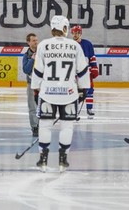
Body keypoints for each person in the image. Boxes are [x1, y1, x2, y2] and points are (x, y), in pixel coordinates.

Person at [32, 15, 90, 172]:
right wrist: (84, 89)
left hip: (47, 92)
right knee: (67, 127)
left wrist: (36, 88)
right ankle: (63, 160)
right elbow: (83, 70)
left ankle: (43, 160)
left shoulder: (43, 45)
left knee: (44, 126)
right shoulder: (74, 46)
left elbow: (37, 70)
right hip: (69, 93)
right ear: (65, 28)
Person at [71, 25, 99, 116]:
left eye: (77, 33)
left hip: (87, 72)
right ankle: (74, 110)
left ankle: (89, 108)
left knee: (90, 90)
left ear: (80, 33)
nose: (75, 35)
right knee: (75, 92)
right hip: (73, 73)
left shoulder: (88, 44)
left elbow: (92, 58)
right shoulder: (70, 44)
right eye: (74, 33)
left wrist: (94, 68)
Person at [22, 33, 39, 137]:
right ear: (28, 42)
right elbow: (26, 70)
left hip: (42, 84)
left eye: (36, 40)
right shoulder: (26, 55)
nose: (36, 42)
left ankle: (42, 125)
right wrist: (32, 59)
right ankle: (35, 127)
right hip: (31, 84)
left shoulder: (42, 53)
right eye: (33, 40)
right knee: (32, 107)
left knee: (42, 106)